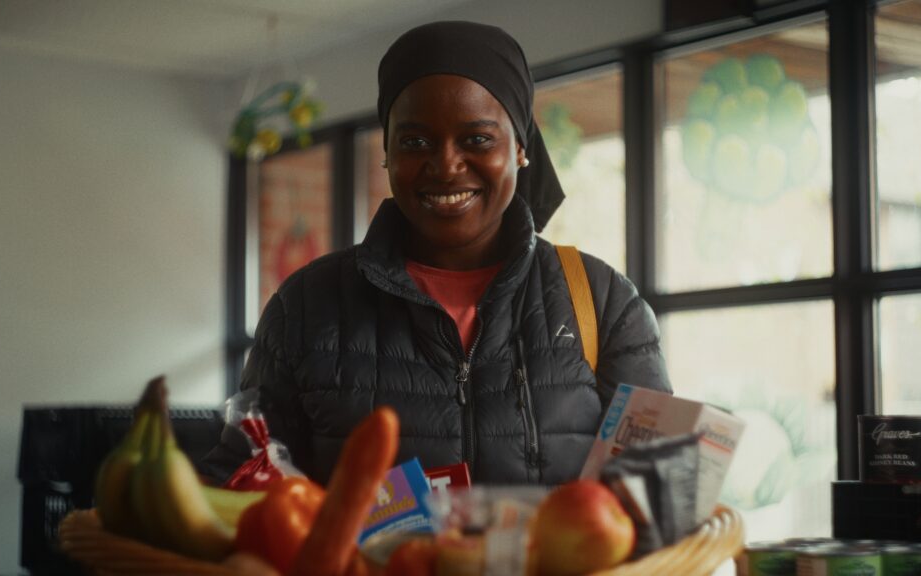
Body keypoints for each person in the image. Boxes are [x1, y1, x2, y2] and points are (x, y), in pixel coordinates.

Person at [204, 20, 671, 487]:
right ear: (387, 152)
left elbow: (660, 491)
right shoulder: (307, 307)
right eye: (415, 142)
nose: (446, 166)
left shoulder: (601, 303)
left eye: (477, 139)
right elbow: (241, 484)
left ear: (520, 148)